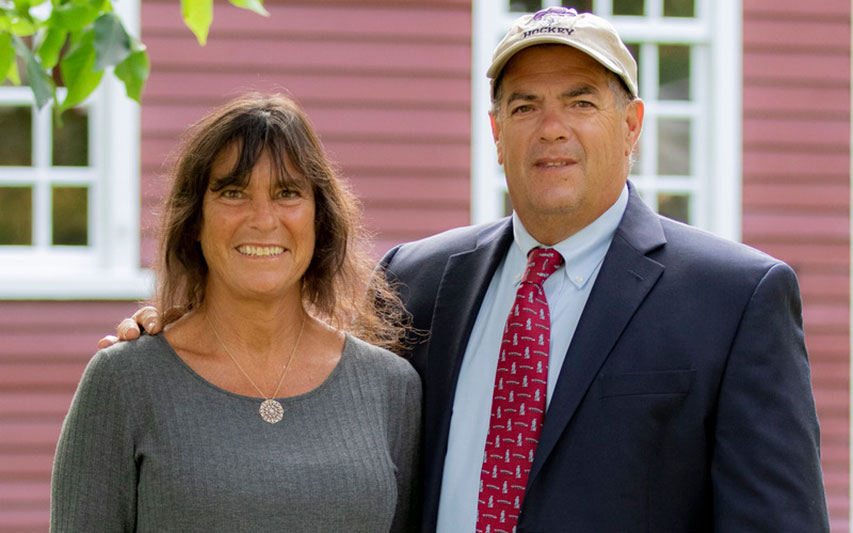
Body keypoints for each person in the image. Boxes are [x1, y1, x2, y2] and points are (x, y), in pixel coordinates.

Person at [104, 8, 830, 532]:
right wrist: (176, 335)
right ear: (495, 131)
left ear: (631, 123)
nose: (551, 127)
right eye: (524, 105)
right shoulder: (418, 280)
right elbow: (305, 367)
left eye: (580, 101)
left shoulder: (734, 299)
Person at [52, 93, 421, 532]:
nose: (263, 219)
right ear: (195, 220)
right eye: (233, 192)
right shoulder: (125, 381)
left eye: (287, 193)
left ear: (319, 217)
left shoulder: (390, 388)